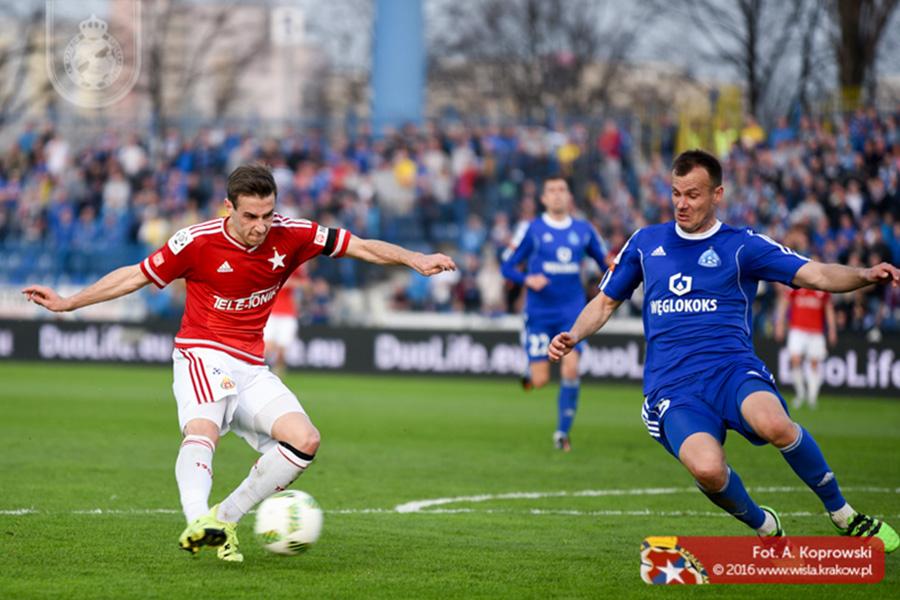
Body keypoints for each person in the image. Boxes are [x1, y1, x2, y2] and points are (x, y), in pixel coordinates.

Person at [22, 164, 456, 562]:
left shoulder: (294, 234)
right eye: (250, 216)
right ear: (229, 207)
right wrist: (69, 303)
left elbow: (358, 246)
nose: (261, 226)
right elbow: (135, 274)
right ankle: (197, 519)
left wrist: (414, 259)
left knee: (305, 440)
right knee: (203, 430)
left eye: (268, 214)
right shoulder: (196, 241)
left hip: (251, 363)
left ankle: (224, 517)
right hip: (202, 350)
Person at [548, 150, 898, 551]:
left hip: (732, 371)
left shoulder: (742, 246)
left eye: (693, 195)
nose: (682, 203)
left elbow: (814, 273)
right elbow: (606, 301)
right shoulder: (646, 243)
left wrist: (865, 275)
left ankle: (844, 515)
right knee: (708, 469)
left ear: (718, 194)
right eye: (677, 193)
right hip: (673, 388)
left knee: (775, 424)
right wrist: (573, 334)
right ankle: (765, 525)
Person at [501, 176, 606, 452]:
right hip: (538, 313)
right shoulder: (532, 229)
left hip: (571, 314)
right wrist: (527, 280)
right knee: (540, 380)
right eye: (552, 191)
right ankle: (529, 371)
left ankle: (562, 433)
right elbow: (507, 266)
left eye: (562, 190)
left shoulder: (584, 230)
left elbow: (604, 261)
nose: (557, 195)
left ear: (569, 197)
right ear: (544, 199)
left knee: (571, 368)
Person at [774, 281, 837, 409]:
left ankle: (812, 397)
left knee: (814, 363)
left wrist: (832, 329)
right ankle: (800, 394)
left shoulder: (822, 289)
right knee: (795, 360)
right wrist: (779, 323)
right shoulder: (797, 285)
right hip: (797, 329)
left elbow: (829, 308)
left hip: (816, 331)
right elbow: (784, 301)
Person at [263, 265, 308, 377]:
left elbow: (307, 285)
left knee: (282, 352)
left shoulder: (295, 267)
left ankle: (277, 376)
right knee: (267, 347)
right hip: (271, 312)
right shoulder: (269, 265)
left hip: (288, 313)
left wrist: (292, 283)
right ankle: (258, 373)